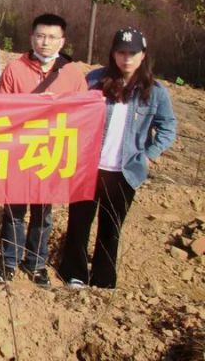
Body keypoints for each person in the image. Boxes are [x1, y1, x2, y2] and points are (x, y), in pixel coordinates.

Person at [58, 28, 176, 289]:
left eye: (133, 53)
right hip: (88, 167)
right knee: (79, 223)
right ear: (113, 54)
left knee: (111, 227)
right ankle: (74, 273)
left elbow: (168, 127)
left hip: (125, 170)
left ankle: (103, 279)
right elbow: (72, 111)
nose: (127, 58)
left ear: (143, 55)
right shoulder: (95, 80)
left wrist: (149, 155)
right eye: (121, 52)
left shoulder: (155, 91)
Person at [0, 13, 88, 285]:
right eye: (40, 36)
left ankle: (36, 263)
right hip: (19, 151)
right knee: (14, 211)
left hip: (52, 152)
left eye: (51, 37)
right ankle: (9, 261)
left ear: (62, 41)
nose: (45, 42)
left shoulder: (72, 74)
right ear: (31, 37)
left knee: (43, 213)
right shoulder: (15, 69)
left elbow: (82, 112)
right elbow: (1, 109)